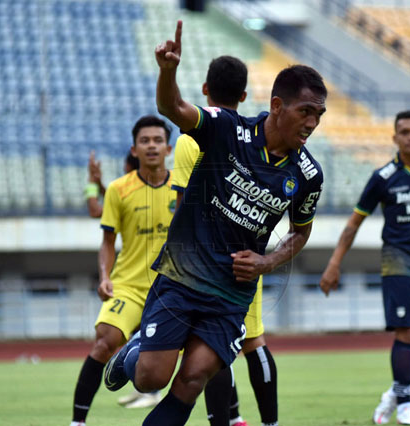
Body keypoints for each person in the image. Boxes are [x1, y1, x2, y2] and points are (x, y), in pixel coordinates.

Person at [104, 20, 326, 426]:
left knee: (193, 378)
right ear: (277, 106)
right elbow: (173, 109)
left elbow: (301, 231)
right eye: (305, 111)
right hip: (183, 276)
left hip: (230, 295)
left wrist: (267, 262)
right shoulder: (228, 129)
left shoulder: (308, 175)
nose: (312, 123)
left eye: (319, 114)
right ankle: (133, 353)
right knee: (151, 379)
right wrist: (168, 70)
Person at [319, 110, 410, 425]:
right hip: (398, 264)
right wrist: (334, 263)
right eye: (405, 131)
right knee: (407, 331)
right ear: (395, 138)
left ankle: (395, 394)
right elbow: (354, 223)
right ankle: (405, 406)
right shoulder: (383, 178)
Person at [172, 56, 277, 426]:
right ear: (245, 95)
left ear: (204, 90)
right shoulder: (253, 138)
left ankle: (227, 420)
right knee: (254, 342)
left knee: (206, 345)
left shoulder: (191, 137)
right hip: (248, 258)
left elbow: (184, 204)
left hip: (201, 262)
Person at [69, 115, 175, 426]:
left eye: (157, 140)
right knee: (104, 340)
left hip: (172, 288)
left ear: (168, 148)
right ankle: (77, 422)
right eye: (145, 141)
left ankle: (231, 416)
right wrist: (104, 276)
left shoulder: (185, 188)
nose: (151, 146)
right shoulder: (118, 189)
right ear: (134, 148)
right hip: (129, 285)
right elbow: (106, 242)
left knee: (203, 351)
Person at [84, 150, 139, 219]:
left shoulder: (132, 192)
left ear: (128, 167)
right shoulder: (148, 187)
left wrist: (91, 182)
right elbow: (115, 199)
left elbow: (95, 211)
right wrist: (99, 184)